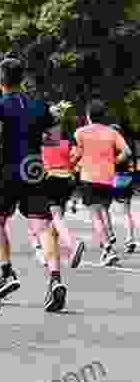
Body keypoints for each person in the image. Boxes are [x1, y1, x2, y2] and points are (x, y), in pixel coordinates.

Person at [0, 58, 67, 312]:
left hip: (8, 168)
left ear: (0, 80)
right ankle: (55, 279)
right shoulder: (39, 105)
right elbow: (53, 139)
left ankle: (7, 271)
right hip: (33, 167)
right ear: (21, 79)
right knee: (43, 227)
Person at [70, 101, 131, 266]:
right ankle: (108, 242)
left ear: (88, 116)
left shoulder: (80, 133)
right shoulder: (112, 133)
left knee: (95, 215)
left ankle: (107, 249)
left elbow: (75, 155)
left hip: (89, 178)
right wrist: (113, 161)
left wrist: (72, 165)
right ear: (103, 116)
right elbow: (127, 152)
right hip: (108, 178)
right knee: (104, 211)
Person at [41, 102, 85, 268]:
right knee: (55, 219)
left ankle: (73, 245)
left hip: (50, 177)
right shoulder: (67, 135)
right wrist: (70, 164)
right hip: (67, 179)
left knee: (55, 218)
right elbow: (78, 152)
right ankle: (51, 255)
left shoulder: (42, 134)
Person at [109, 124, 138, 254]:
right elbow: (134, 163)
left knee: (104, 209)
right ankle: (130, 239)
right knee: (126, 211)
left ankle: (109, 236)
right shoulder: (128, 144)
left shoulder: (109, 145)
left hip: (110, 178)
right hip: (126, 178)